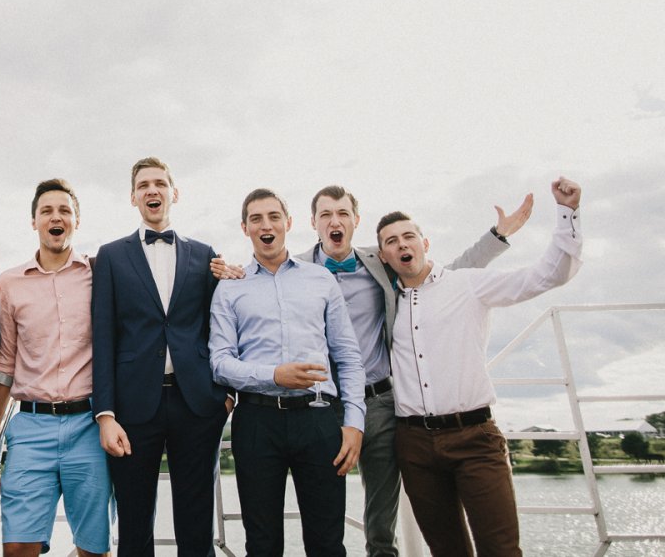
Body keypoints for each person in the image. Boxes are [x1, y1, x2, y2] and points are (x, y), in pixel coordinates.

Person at [294, 186, 532, 556]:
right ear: (314, 222)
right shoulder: (295, 270)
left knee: (381, 520)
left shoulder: (380, 261)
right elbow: (259, 285)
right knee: (322, 511)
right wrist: (224, 274)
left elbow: (447, 272)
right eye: (326, 214)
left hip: (379, 403)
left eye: (342, 213)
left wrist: (497, 236)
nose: (334, 221)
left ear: (356, 221)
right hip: (323, 405)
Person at [376, 177, 583, 557]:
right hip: (414, 445)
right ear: (383, 256)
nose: (402, 244)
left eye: (408, 236)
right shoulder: (386, 304)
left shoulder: (467, 284)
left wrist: (567, 212)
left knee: (500, 549)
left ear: (425, 243)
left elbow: (547, 275)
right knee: (447, 551)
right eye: (391, 241)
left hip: (474, 437)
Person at [210, 188, 365, 556]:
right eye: (256, 219)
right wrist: (274, 375)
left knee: (327, 543)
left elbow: (347, 355)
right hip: (256, 422)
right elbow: (219, 362)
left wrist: (354, 423)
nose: (266, 225)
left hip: (319, 419)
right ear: (245, 228)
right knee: (262, 544)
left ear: (289, 223)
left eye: (274, 217)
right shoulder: (230, 288)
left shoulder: (321, 279)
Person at [91, 156, 234, 556]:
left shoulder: (205, 254)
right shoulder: (110, 256)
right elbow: (103, 337)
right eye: (143, 185)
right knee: (134, 523)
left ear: (175, 192)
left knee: (197, 523)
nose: (152, 190)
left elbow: (220, 328)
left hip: (197, 404)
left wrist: (225, 396)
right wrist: (105, 413)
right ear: (133, 197)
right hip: (133, 407)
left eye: (160, 183)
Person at [0, 179, 111, 557]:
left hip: (89, 426)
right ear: (34, 221)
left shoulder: (100, 274)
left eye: (64, 211)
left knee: (94, 550)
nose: (55, 217)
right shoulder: (9, 284)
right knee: (17, 548)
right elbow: (4, 364)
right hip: (30, 428)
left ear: (76, 221)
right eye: (47, 211)